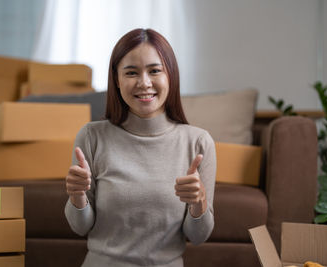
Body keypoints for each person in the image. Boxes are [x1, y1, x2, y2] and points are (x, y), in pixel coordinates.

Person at [65, 28, 216, 267]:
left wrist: (199, 203)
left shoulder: (198, 142)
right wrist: (77, 197)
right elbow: (80, 226)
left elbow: (198, 236)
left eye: (155, 71)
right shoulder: (92, 136)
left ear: (171, 76)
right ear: (117, 79)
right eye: (131, 72)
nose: (144, 83)